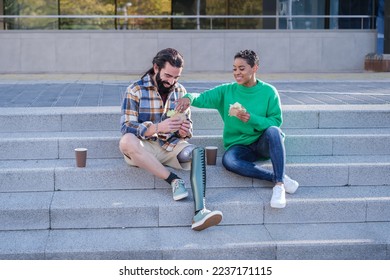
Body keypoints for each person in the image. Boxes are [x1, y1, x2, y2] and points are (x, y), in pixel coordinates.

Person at [176, 49, 299, 208]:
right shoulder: (226, 91)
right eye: (234, 69)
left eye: (242, 68)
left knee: (274, 131)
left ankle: (279, 186)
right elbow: (202, 98)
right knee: (229, 160)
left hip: (263, 143)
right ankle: (278, 177)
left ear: (254, 68)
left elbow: (276, 121)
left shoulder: (269, 92)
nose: (237, 73)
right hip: (239, 146)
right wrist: (189, 97)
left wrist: (252, 119)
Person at [119, 48, 222, 230]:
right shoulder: (135, 90)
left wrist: (185, 130)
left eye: (176, 77)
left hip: (171, 146)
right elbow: (127, 126)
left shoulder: (180, 91)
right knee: (126, 141)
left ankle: (201, 211)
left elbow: (187, 126)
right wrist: (157, 128)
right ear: (156, 67)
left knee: (197, 152)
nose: (171, 82)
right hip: (144, 148)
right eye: (168, 75)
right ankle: (174, 180)